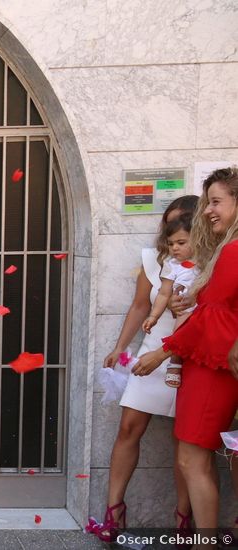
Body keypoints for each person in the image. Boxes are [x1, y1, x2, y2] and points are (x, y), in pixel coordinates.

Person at [134, 166, 238, 540]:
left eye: (216, 202)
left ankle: (205, 544)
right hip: (208, 366)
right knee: (194, 459)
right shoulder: (226, 250)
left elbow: (215, 319)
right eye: (207, 201)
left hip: (213, 369)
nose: (208, 210)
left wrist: (162, 353)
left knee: (192, 459)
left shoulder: (234, 251)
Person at [90, 195, 198, 541]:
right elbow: (140, 306)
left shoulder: (209, 263)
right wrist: (120, 347)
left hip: (191, 359)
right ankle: (114, 513)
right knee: (128, 429)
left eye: (180, 224)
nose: (171, 231)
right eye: (168, 224)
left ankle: (184, 521)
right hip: (151, 355)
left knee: (187, 444)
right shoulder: (154, 261)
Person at [141, 217, 197, 388]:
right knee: (180, 327)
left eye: (181, 242)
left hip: (205, 307)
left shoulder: (205, 260)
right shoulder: (172, 265)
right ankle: (175, 363)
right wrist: (153, 316)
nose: (175, 248)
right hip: (184, 309)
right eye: (171, 244)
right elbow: (164, 293)